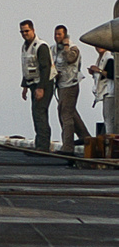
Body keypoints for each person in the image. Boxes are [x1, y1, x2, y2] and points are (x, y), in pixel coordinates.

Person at [52, 25, 90, 154]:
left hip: (70, 84)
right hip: (61, 85)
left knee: (66, 115)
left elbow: (69, 59)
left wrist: (66, 46)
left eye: (60, 35)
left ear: (65, 35)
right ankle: (85, 137)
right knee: (70, 111)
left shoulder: (73, 49)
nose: (57, 37)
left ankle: (68, 146)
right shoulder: (55, 49)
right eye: (56, 34)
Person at [20, 20, 53, 152]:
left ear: (33, 30)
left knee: (39, 113)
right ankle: (39, 144)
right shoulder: (25, 46)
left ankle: (43, 147)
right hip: (32, 83)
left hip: (43, 83)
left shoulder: (41, 46)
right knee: (36, 113)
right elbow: (27, 67)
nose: (24, 34)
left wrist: (41, 88)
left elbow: (46, 69)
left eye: (26, 31)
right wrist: (24, 86)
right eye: (22, 32)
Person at [89, 44, 115, 137]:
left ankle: (111, 139)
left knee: (109, 119)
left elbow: (111, 74)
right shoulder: (101, 58)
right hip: (105, 92)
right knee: (107, 118)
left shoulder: (109, 57)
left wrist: (98, 70)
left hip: (109, 92)